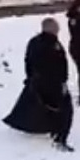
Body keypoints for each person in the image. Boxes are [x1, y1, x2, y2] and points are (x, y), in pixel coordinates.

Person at [3, 18, 75, 151]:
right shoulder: (53, 45)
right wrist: (62, 83)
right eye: (56, 27)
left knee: (44, 107)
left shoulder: (34, 42)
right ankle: (60, 139)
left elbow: (28, 61)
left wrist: (30, 77)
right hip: (53, 84)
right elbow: (58, 66)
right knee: (65, 110)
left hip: (37, 82)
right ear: (52, 29)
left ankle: (51, 129)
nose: (58, 29)